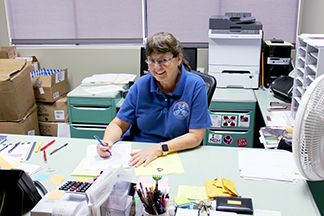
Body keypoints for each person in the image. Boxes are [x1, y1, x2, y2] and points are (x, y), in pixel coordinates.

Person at [97, 32, 212, 167]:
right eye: (152, 61)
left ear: (178, 59)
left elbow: (195, 137)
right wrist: (107, 142)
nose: (157, 67)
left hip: (176, 153)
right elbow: (119, 124)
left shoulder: (194, 85)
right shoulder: (141, 85)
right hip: (138, 153)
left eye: (163, 60)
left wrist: (159, 149)